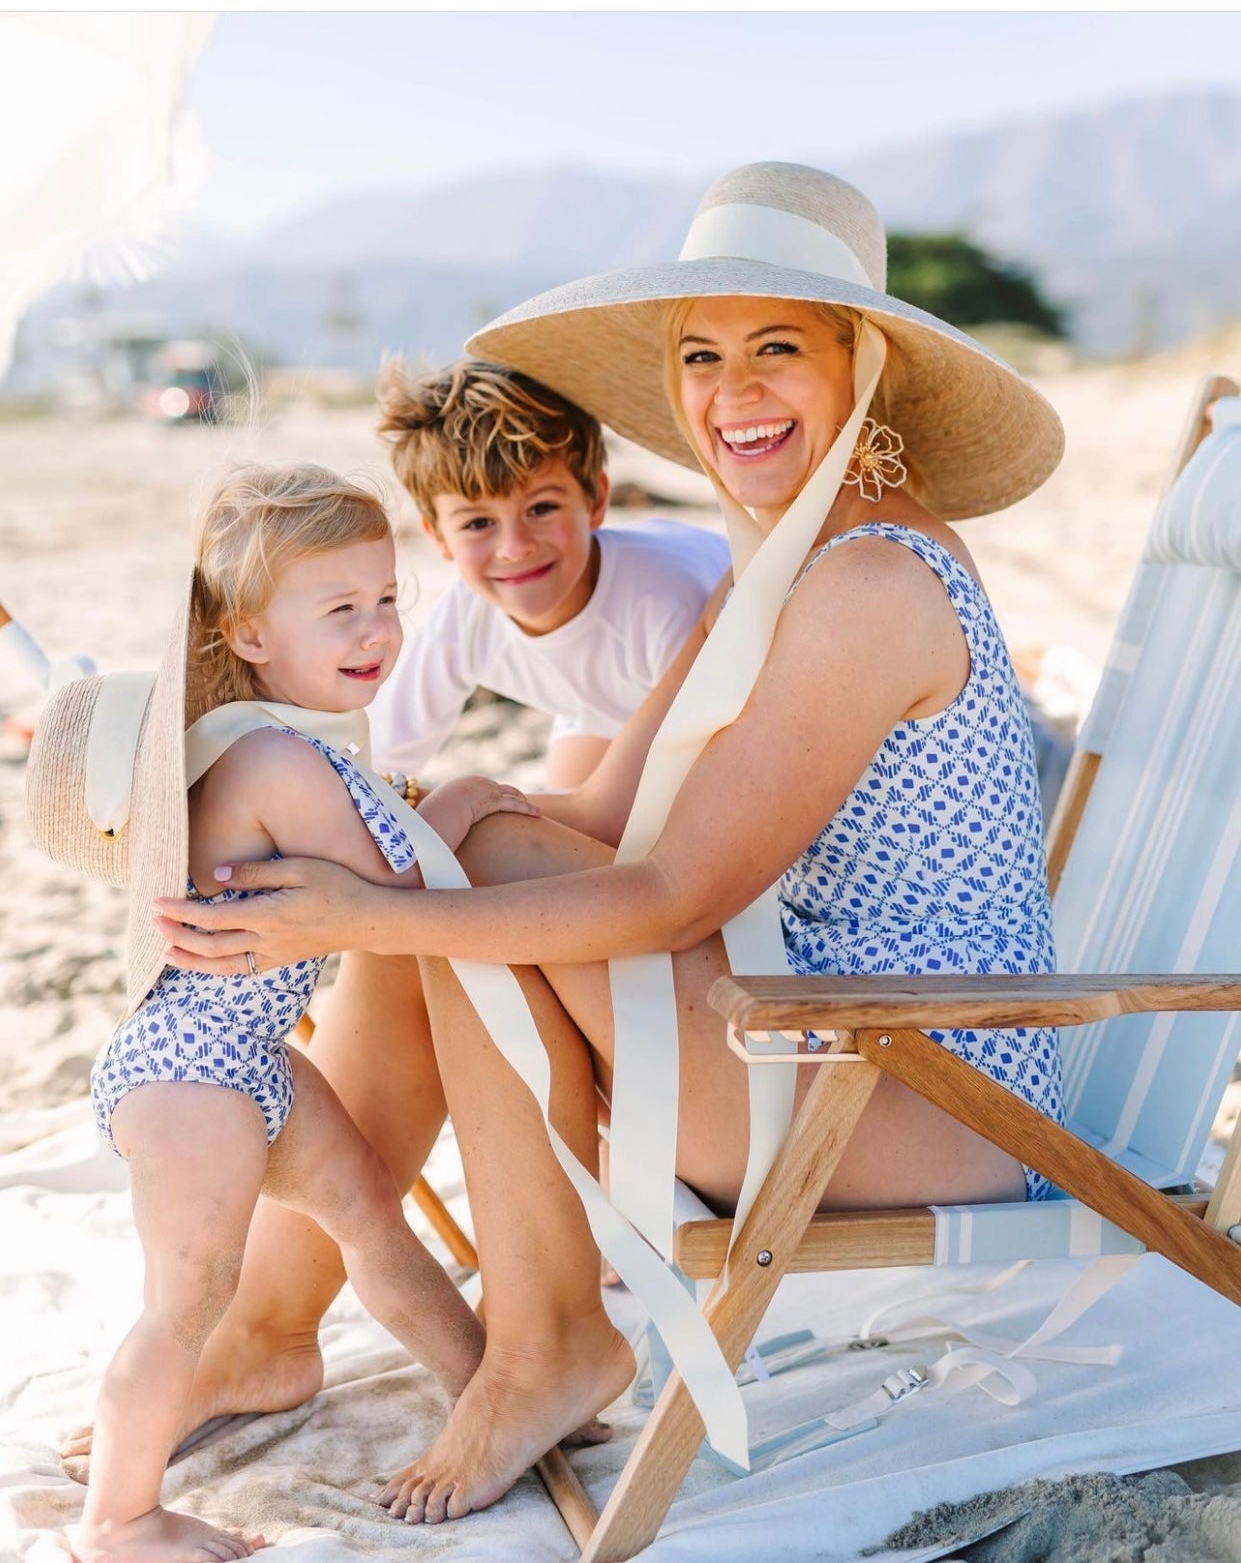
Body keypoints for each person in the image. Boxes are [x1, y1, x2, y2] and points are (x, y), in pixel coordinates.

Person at [106, 162, 1068, 1526]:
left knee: (456, 874)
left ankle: (551, 1335)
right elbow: (607, 815)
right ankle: (270, 1325)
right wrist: (428, 842)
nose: (731, 390)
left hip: (912, 1081)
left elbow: (672, 892)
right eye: (700, 354)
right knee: (458, 831)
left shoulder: (869, 582)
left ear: (864, 367)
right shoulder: (784, 558)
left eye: (777, 348)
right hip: (803, 1035)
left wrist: (364, 910)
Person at [31, 462, 538, 1561]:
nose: (376, 631)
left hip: (245, 1047)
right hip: (190, 1069)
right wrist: (460, 800)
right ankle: (116, 1520)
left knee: (368, 1213)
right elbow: (402, 899)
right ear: (253, 637)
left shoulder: (277, 739)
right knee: (189, 1294)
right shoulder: (272, 757)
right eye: (339, 610)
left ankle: (499, 1392)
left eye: (388, 598)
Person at [370, 357, 730, 788]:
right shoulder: (464, 619)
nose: (515, 547)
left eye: (541, 509)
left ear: (595, 500)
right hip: (606, 708)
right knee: (561, 814)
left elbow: (713, 780)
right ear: (439, 536)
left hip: (733, 707)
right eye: (477, 524)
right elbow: (379, 759)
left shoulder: (665, 601)